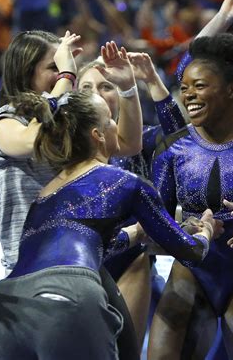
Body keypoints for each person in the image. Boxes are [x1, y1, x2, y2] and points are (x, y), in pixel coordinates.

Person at [0, 89, 222, 359]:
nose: (117, 124)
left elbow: (89, 244)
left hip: (7, 306)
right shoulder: (125, 181)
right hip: (70, 299)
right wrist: (206, 231)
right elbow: (190, 252)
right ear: (98, 135)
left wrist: (137, 233)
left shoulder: (44, 194)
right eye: (111, 119)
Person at [148, 33, 233, 359]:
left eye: (199, 86)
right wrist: (179, 232)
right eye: (184, 87)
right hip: (191, 271)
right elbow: (155, 227)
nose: (189, 96)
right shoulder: (172, 148)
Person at [77, 51, 186, 347]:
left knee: (124, 352)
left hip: (130, 261)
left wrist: (150, 80)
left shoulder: (142, 141)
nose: (96, 95)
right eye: (86, 88)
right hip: (77, 264)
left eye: (106, 86)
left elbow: (181, 138)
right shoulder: (65, 146)